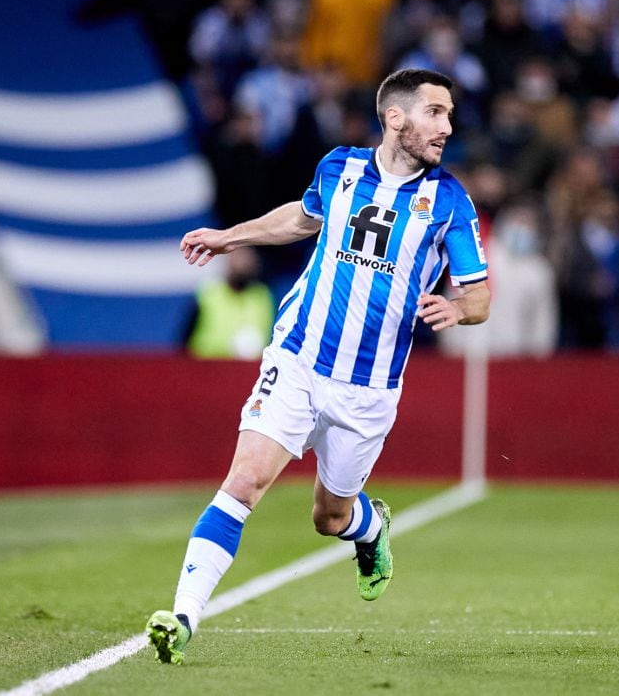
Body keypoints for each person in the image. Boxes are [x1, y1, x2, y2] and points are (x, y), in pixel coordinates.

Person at [147, 69, 490, 665]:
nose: (447, 126)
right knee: (246, 480)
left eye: (449, 114)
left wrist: (456, 310)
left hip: (370, 387)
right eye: (435, 113)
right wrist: (232, 237)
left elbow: (481, 298)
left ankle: (368, 528)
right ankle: (182, 616)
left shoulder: (450, 201)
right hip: (299, 356)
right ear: (396, 119)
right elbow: (303, 218)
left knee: (328, 517)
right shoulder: (340, 168)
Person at [183, 245, 275, 360]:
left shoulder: (262, 295)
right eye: (238, 258)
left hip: (248, 368)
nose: (242, 264)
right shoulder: (208, 292)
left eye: (246, 260)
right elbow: (185, 338)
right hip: (207, 366)